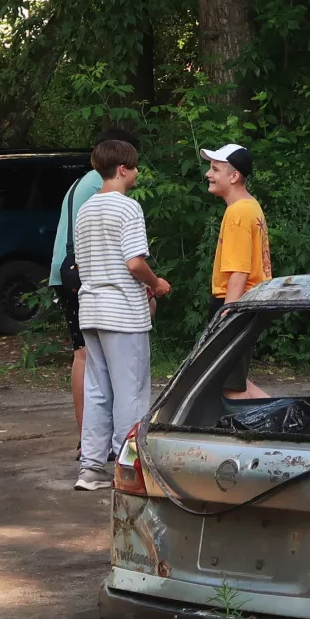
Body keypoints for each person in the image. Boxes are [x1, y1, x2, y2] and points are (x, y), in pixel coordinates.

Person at [72, 138, 171, 491]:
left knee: (97, 390)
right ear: (123, 169)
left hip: (91, 310)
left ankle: (91, 468)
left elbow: (82, 262)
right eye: (136, 167)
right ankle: (127, 468)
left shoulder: (85, 209)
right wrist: (156, 283)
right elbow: (133, 262)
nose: (138, 173)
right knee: (131, 391)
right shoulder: (128, 208)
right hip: (123, 312)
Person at [48, 126, 140, 463]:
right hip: (79, 272)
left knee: (86, 354)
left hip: (66, 270)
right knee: (87, 356)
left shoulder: (84, 182)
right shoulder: (99, 187)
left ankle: (91, 442)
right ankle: (90, 441)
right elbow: (106, 243)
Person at [201, 143, 271, 399]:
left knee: (228, 386)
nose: (208, 174)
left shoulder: (238, 212)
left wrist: (227, 317)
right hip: (249, 303)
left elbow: (239, 272)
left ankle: (244, 427)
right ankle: (282, 415)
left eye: (215, 169)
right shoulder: (250, 206)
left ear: (234, 176)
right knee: (233, 379)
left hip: (235, 305)